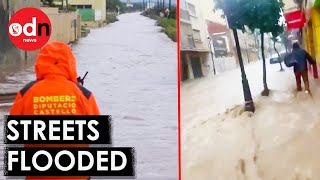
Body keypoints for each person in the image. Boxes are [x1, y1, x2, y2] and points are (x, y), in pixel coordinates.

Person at [10, 41, 100, 180]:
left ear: (40, 63)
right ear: (70, 63)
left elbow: (14, 141)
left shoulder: (25, 93)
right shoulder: (84, 95)